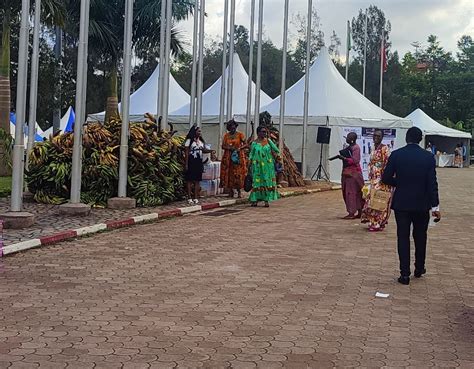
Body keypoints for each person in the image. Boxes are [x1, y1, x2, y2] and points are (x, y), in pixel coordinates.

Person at [382, 127, 440, 285]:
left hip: (402, 203)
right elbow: (432, 184)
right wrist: (435, 207)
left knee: (403, 237)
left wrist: (399, 183)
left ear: (406, 138)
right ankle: (419, 268)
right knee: (421, 237)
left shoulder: (396, 155)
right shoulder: (428, 157)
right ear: (421, 139)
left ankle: (404, 274)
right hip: (422, 204)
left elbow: (385, 178)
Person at [361, 129, 393, 232]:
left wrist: (384, 179)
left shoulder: (385, 148)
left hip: (381, 179)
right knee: (372, 200)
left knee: (379, 200)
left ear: (382, 137)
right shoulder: (373, 148)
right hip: (373, 178)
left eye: (378, 136)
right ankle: (373, 221)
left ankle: (378, 222)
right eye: (374, 135)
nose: (376, 138)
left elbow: (387, 164)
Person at [248, 126, 280, 207]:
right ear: (258, 133)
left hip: (267, 167)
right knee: (256, 182)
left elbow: (276, 150)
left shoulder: (268, 142)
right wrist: (249, 165)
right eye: (263, 132)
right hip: (257, 166)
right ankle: (255, 200)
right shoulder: (254, 143)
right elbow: (251, 154)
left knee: (266, 181)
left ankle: (266, 200)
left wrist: (277, 158)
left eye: (265, 132)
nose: (264, 133)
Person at [184, 125, 213, 204]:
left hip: (198, 162)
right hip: (191, 161)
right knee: (189, 180)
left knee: (197, 180)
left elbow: (203, 150)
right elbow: (186, 153)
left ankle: (196, 197)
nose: (200, 133)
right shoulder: (189, 141)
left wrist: (210, 151)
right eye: (198, 131)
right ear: (194, 132)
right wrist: (186, 164)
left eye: (200, 131)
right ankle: (189, 197)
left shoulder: (200, 141)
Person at [339, 132, 364, 219]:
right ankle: (358, 211)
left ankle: (352, 212)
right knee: (352, 192)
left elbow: (356, 160)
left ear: (352, 139)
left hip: (353, 175)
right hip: (348, 173)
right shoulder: (349, 147)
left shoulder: (356, 148)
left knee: (352, 193)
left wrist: (344, 158)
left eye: (348, 138)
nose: (346, 139)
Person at [220, 119, 248, 198]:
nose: (233, 129)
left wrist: (239, 148)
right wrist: (229, 148)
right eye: (231, 128)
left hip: (237, 156)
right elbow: (223, 146)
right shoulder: (226, 136)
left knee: (238, 173)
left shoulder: (240, 135)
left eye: (234, 127)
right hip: (228, 157)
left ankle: (239, 191)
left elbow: (246, 144)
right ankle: (231, 191)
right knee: (229, 173)